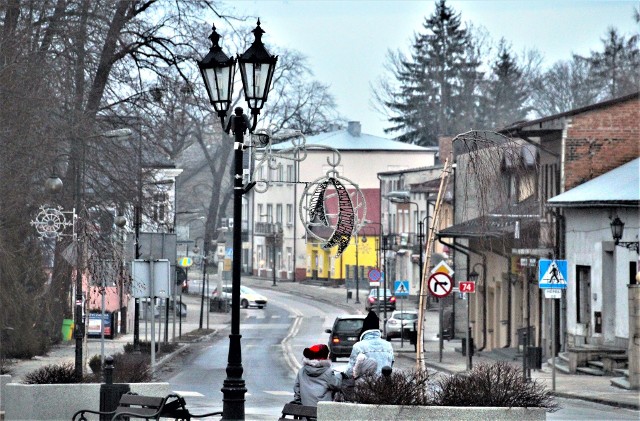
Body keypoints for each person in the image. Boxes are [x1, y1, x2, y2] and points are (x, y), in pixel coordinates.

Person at [344, 310, 394, 377]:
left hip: (365, 385)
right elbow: (390, 366)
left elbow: (350, 371)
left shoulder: (358, 346)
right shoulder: (388, 345)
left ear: (365, 327)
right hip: (384, 385)